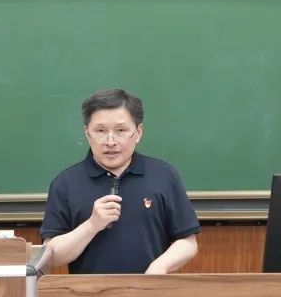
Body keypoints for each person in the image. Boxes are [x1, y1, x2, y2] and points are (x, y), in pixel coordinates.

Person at [40, 88, 200, 274]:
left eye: (121, 130)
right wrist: (92, 225)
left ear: (138, 132)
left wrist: (160, 266)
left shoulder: (164, 175)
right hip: (88, 291)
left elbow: (187, 242)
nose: (110, 142)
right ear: (87, 133)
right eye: (100, 131)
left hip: (150, 290)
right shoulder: (65, 183)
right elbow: (51, 255)